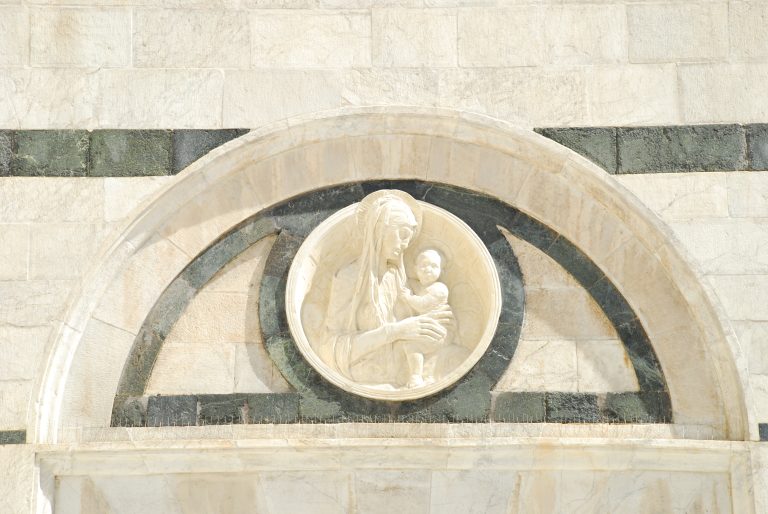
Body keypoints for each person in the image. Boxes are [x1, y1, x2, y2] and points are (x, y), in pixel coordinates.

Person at [321, 190, 453, 389]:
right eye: (402, 235)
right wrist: (395, 331)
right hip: (368, 380)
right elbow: (330, 348)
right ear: (380, 230)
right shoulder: (349, 277)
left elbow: (424, 325)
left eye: (408, 237)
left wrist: (439, 325)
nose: (406, 243)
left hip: (404, 379)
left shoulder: (399, 280)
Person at [399, 249, 452, 388]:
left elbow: (423, 305)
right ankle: (419, 375)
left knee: (411, 345)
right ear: (415, 269)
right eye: (423, 265)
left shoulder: (439, 288)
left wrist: (408, 298)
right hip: (432, 327)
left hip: (440, 329)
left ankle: (416, 376)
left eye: (434, 266)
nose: (428, 269)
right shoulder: (422, 286)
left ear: (441, 271)